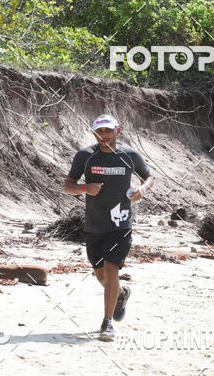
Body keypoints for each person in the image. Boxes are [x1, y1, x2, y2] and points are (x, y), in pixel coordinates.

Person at [64, 114, 154, 341]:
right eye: (100, 131)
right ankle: (121, 293)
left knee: (112, 269)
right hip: (95, 225)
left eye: (108, 130)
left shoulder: (130, 155)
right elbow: (68, 186)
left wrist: (142, 190)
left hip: (120, 224)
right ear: (95, 133)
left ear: (118, 131)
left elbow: (148, 177)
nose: (104, 135)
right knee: (102, 277)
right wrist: (85, 188)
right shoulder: (85, 156)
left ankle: (107, 324)